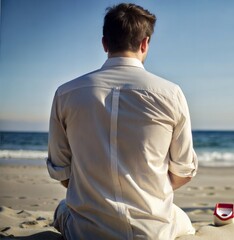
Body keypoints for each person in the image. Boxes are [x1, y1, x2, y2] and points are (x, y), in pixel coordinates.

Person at [46, 3, 198, 239]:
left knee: (62, 208)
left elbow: (62, 172)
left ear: (105, 43)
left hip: (86, 231)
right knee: (184, 222)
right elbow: (184, 171)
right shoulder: (170, 93)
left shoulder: (66, 93)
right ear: (145, 43)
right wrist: (148, 189)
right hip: (151, 231)